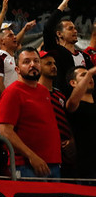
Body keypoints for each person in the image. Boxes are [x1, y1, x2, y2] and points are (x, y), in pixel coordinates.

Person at [0, 47, 61, 180]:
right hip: (28, 165)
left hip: (52, 163)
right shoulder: (12, 92)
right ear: (17, 69)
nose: (33, 65)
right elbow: (5, 131)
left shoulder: (44, 91)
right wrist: (31, 156)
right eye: (26, 62)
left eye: (36, 61)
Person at [37, 50, 75, 178]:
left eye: (54, 63)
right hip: (45, 155)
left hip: (66, 155)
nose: (53, 66)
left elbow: (67, 120)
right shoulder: (34, 94)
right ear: (38, 66)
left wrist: (71, 140)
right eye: (48, 63)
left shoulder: (60, 95)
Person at [65, 66, 96, 183]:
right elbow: (72, 102)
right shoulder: (74, 105)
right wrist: (90, 73)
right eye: (83, 75)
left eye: (91, 76)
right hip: (85, 167)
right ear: (73, 83)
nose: (90, 78)